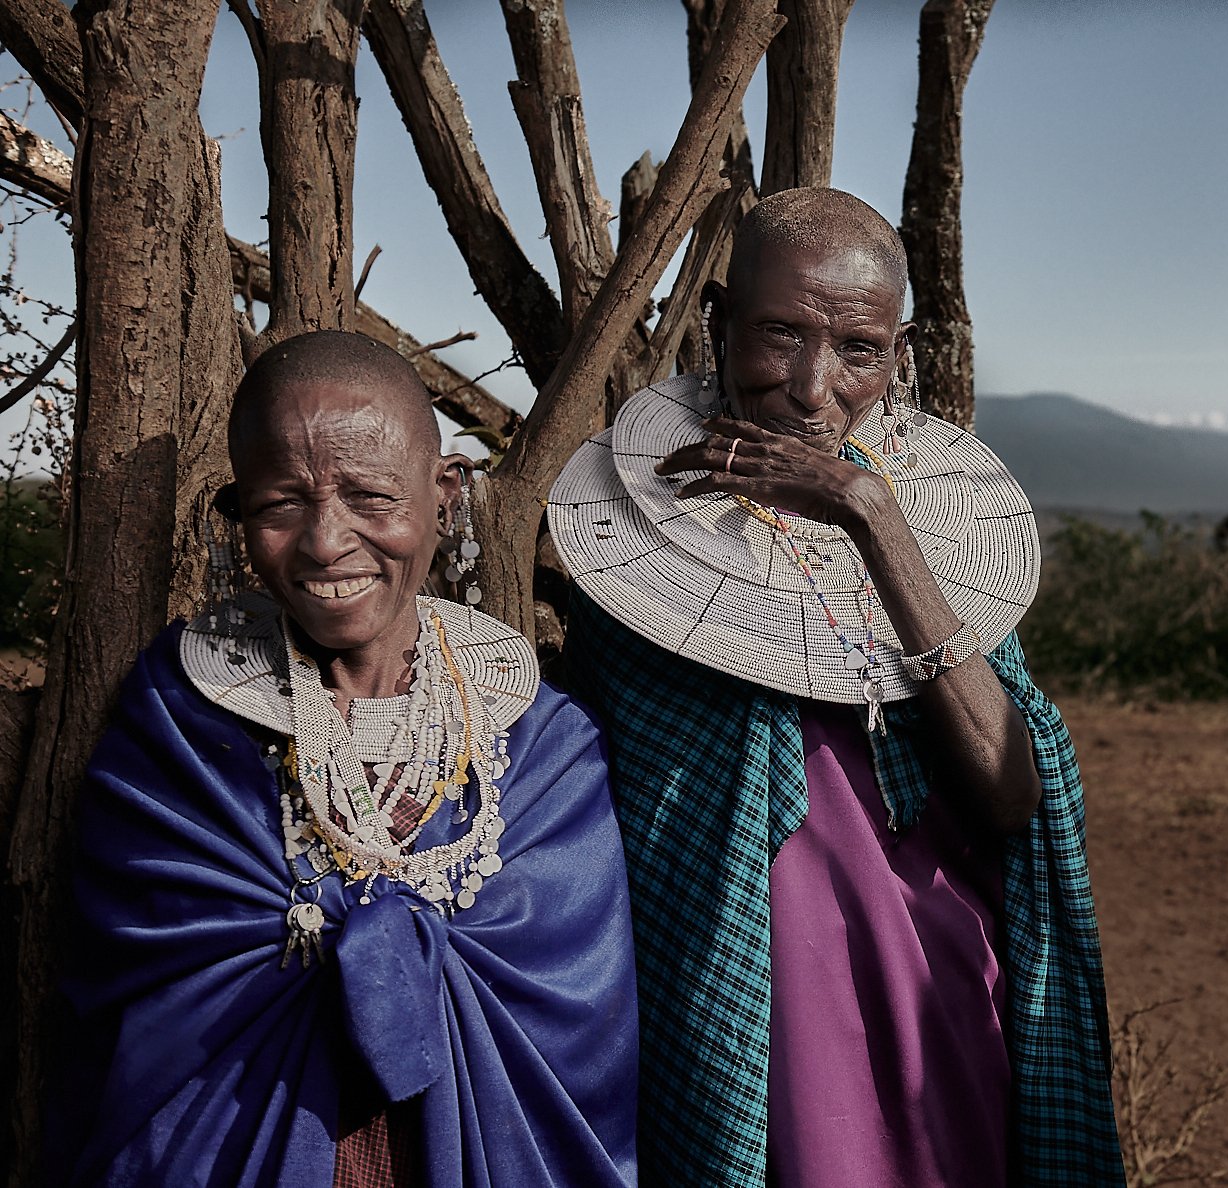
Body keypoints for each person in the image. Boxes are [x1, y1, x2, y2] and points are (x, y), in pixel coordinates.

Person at [552, 188, 1122, 1186]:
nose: (813, 388)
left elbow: (1010, 791)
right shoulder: (625, 539)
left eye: (857, 349)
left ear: (898, 358)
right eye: (779, 335)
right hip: (752, 988)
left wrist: (872, 517)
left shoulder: (941, 539)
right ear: (718, 322)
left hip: (940, 978)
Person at [51, 331, 639, 1187]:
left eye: (370, 495)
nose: (327, 543)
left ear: (444, 497)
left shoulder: (542, 747)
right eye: (280, 505)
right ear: (236, 515)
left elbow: (578, 1020)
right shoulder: (182, 726)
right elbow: (148, 998)